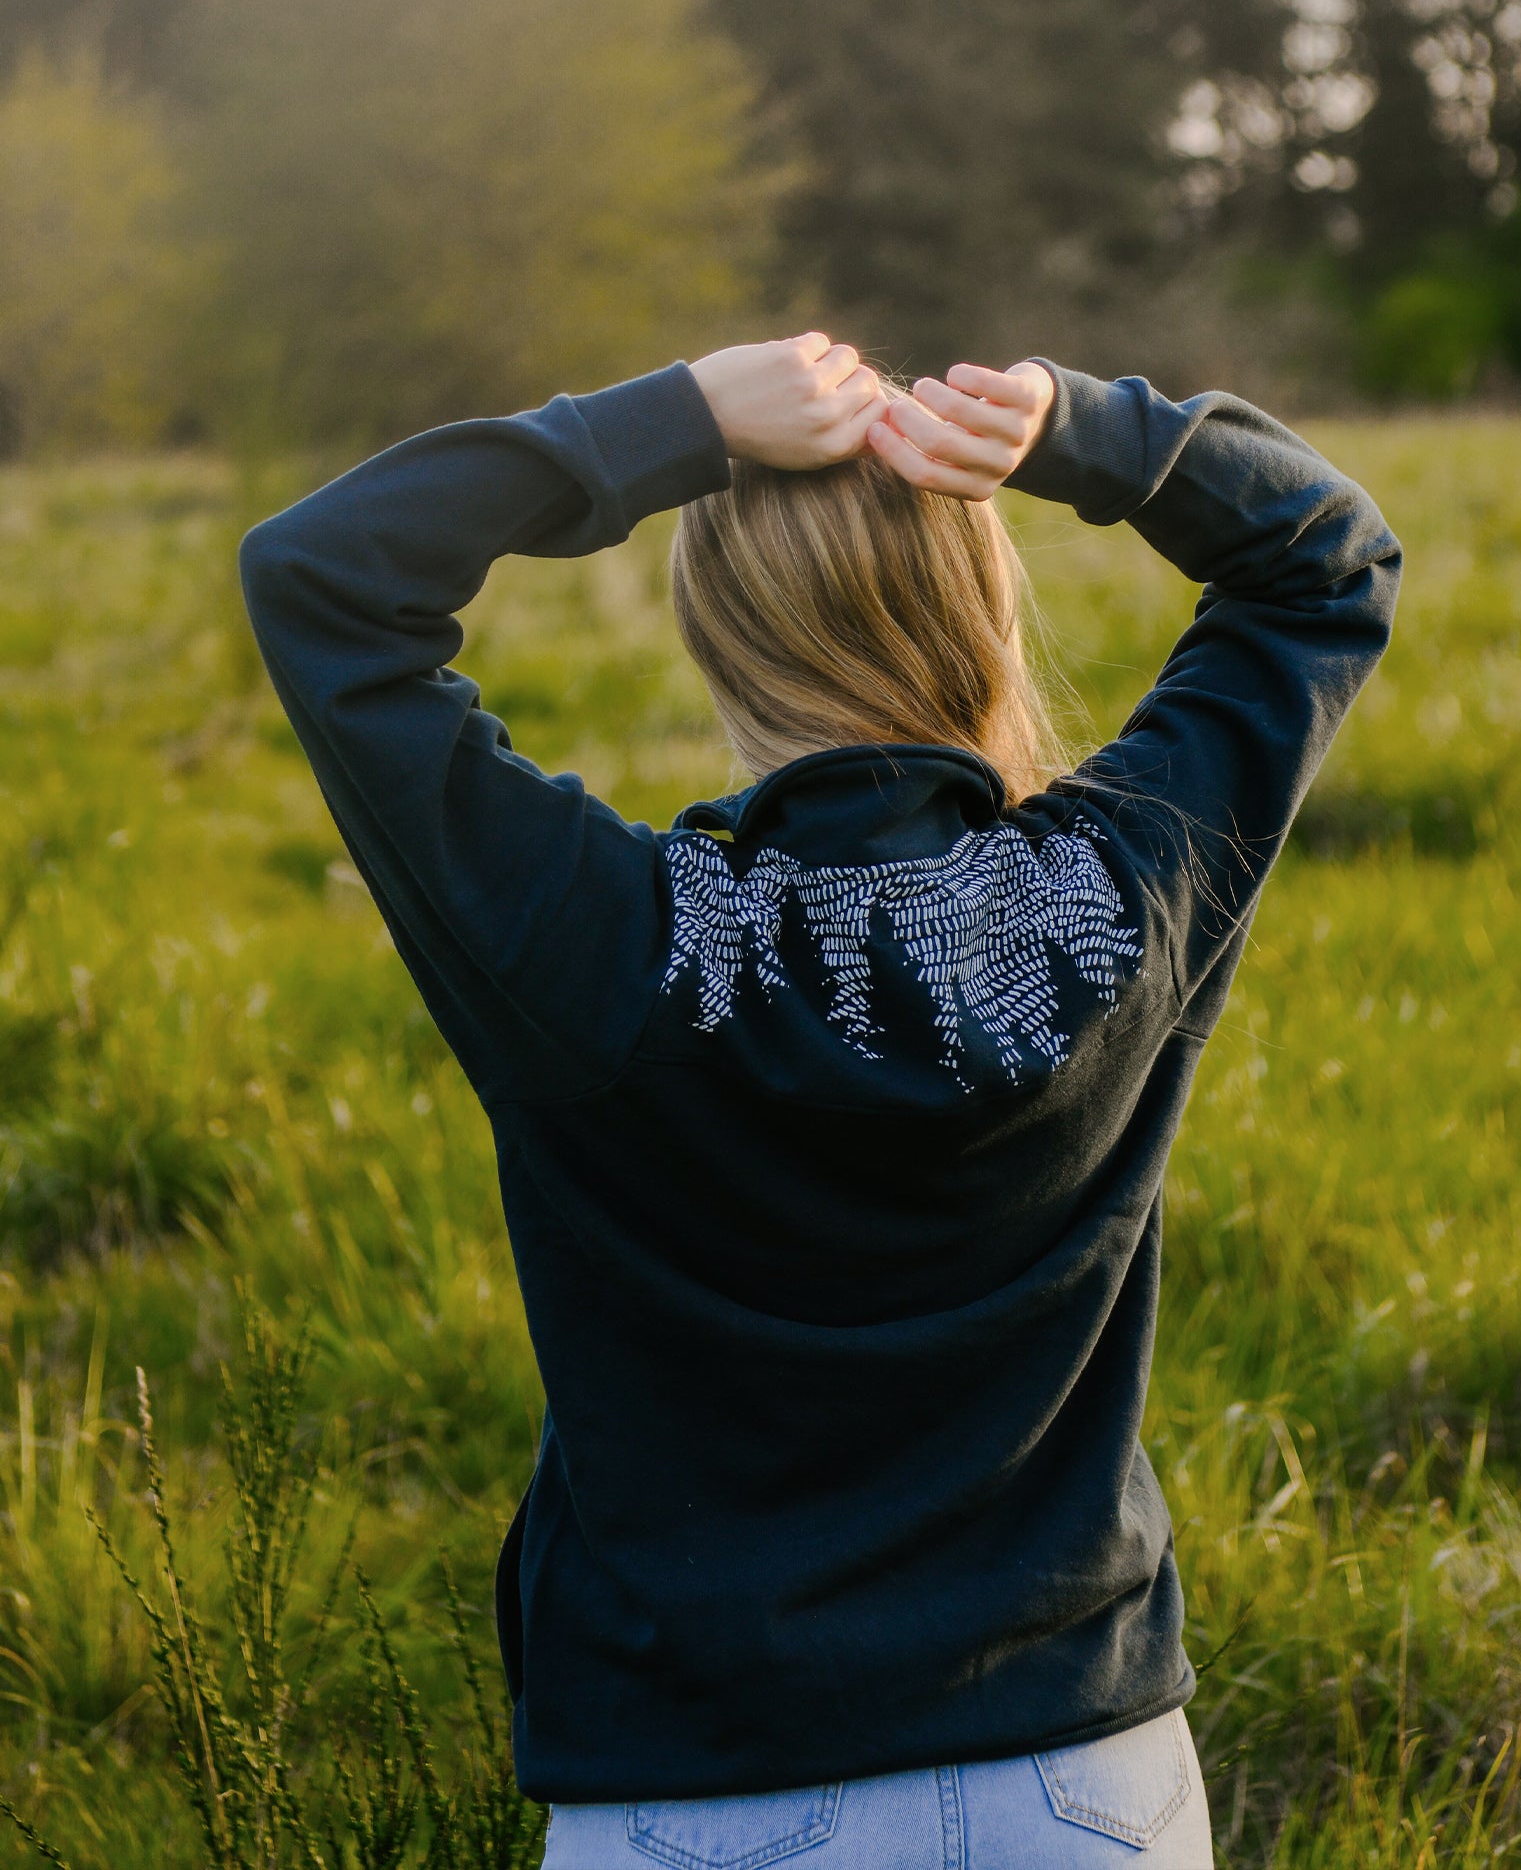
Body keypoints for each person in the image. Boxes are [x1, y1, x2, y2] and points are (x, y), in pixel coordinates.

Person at [240, 334, 1401, 1870]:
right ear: (983, 606)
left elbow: (321, 581)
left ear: (714, 630)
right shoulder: (1116, 891)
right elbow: (1327, 566)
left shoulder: (598, 935)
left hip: (706, 1788)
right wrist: (1078, 435)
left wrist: (668, 425)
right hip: (1084, 1783)